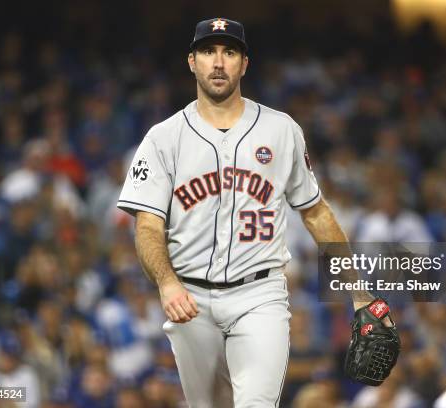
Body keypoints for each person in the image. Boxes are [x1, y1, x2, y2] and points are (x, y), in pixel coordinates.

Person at [116, 17, 391, 407]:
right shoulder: (163, 138)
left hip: (260, 294)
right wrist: (166, 282)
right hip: (189, 296)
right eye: (209, 51)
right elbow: (147, 225)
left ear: (244, 64)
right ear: (191, 61)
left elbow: (315, 212)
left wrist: (359, 293)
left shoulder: (281, 130)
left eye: (230, 52)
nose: (218, 62)